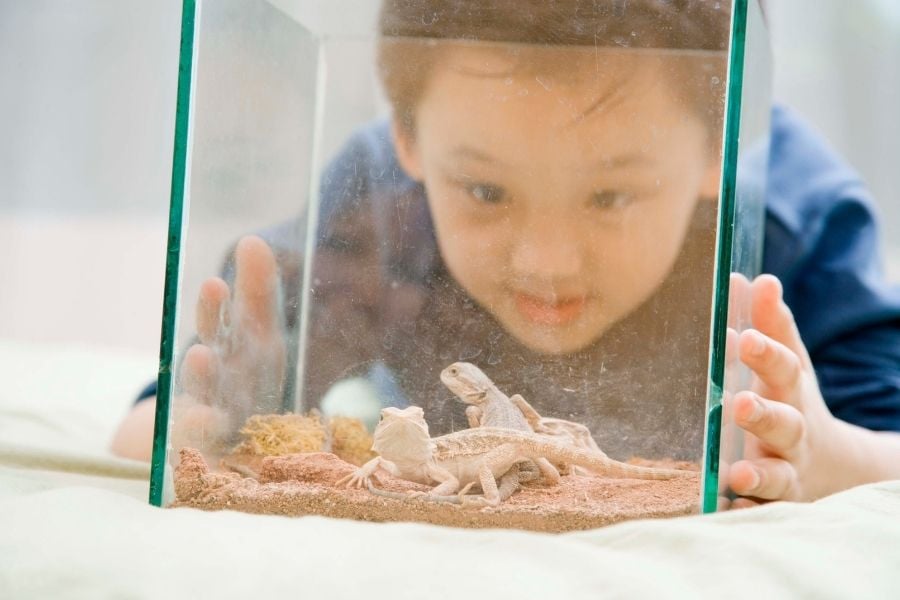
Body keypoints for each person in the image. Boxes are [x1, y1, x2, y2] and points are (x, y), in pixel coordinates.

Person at [111, 0, 900, 507]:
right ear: (410, 141)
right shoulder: (379, 205)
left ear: (712, 158)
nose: (545, 262)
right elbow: (198, 396)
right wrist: (196, 412)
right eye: (486, 193)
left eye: (610, 196)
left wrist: (831, 455)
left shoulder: (803, 227)